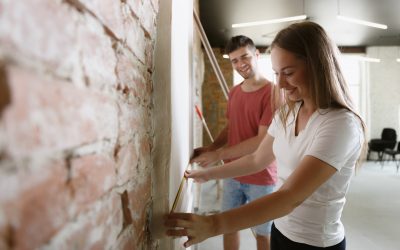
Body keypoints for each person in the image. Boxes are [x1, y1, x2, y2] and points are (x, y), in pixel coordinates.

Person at [165, 21, 366, 250]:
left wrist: (213, 224)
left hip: (315, 243)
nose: (279, 84)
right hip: (281, 230)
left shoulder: (340, 125)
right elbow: (256, 160)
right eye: (277, 73)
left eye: (288, 73)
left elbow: (290, 196)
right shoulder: (286, 114)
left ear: (319, 66)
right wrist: (208, 174)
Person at [191, 35, 277, 250]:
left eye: (244, 57)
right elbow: (231, 128)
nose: (240, 65)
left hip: (261, 176)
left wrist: (218, 156)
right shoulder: (234, 91)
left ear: (257, 55)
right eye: (234, 61)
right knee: (228, 227)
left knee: (262, 234)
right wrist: (211, 148)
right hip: (232, 173)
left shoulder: (273, 93)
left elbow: (260, 142)